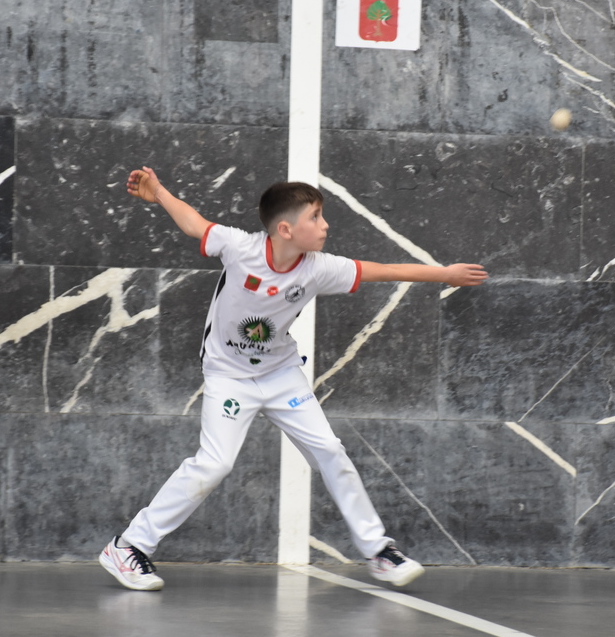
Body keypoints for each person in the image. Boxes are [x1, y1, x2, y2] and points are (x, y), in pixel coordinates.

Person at [100, 166, 488, 591]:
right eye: (315, 217)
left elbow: (384, 269)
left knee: (330, 450)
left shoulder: (319, 268)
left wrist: (445, 274)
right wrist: (159, 192)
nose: (325, 225)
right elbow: (195, 223)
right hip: (228, 376)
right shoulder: (239, 247)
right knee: (214, 464)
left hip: (281, 376)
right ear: (285, 229)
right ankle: (128, 546)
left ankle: (379, 551)